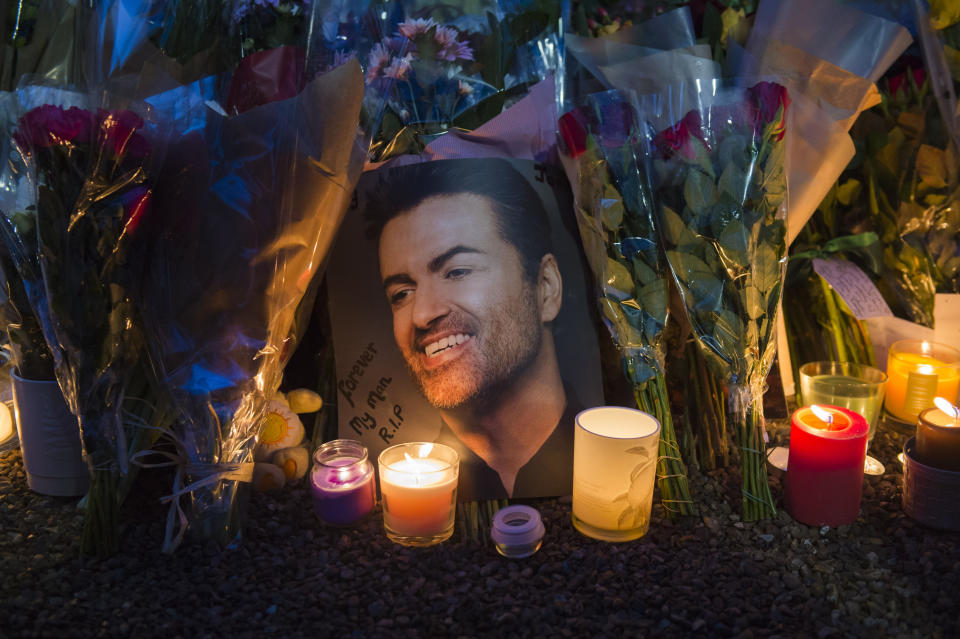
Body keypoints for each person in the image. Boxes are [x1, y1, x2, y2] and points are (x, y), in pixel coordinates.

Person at [365, 159, 579, 501]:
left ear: (546, 287)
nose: (422, 314)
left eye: (458, 271)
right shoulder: (388, 485)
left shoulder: (612, 463)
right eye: (402, 294)